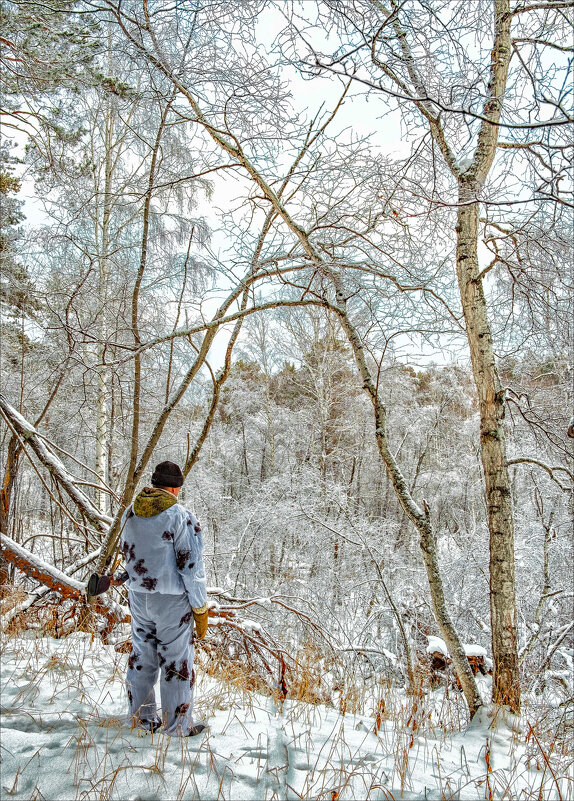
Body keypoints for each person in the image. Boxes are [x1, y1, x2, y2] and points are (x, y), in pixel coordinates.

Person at [120, 460, 208, 737]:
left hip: (138, 597)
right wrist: (200, 608)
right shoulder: (181, 516)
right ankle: (177, 726)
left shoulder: (130, 513)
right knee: (177, 662)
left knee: (142, 657)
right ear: (175, 488)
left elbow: (130, 557)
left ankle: (142, 720)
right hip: (171, 603)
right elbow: (190, 567)